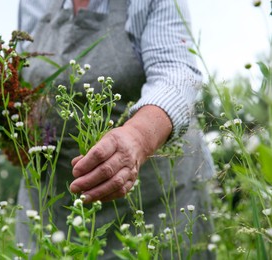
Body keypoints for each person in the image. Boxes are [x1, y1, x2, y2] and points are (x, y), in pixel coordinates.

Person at [16, 0, 215, 259]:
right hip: (51, 200)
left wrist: (137, 137)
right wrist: (15, 131)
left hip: (153, 201)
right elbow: (26, 78)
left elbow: (175, 74)